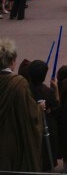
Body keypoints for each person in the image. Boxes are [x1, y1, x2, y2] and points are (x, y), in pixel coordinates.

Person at [0, 38, 44, 173]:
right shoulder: (19, 83)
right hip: (11, 140)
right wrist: (39, 108)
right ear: (13, 60)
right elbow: (30, 114)